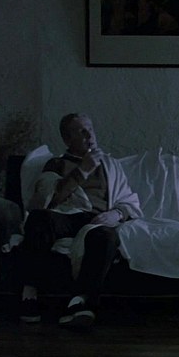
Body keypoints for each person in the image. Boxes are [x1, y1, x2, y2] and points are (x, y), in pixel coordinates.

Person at [16, 113, 142, 328]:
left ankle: (81, 302)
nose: (89, 136)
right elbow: (48, 199)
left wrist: (117, 214)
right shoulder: (56, 163)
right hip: (65, 215)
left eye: (90, 129)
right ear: (68, 139)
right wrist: (83, 170)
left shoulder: (110, 165)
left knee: (107, 237)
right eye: (81, 132)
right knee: (38, 219)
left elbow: (128, 200)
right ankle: (29, 294)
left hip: (96, 220)